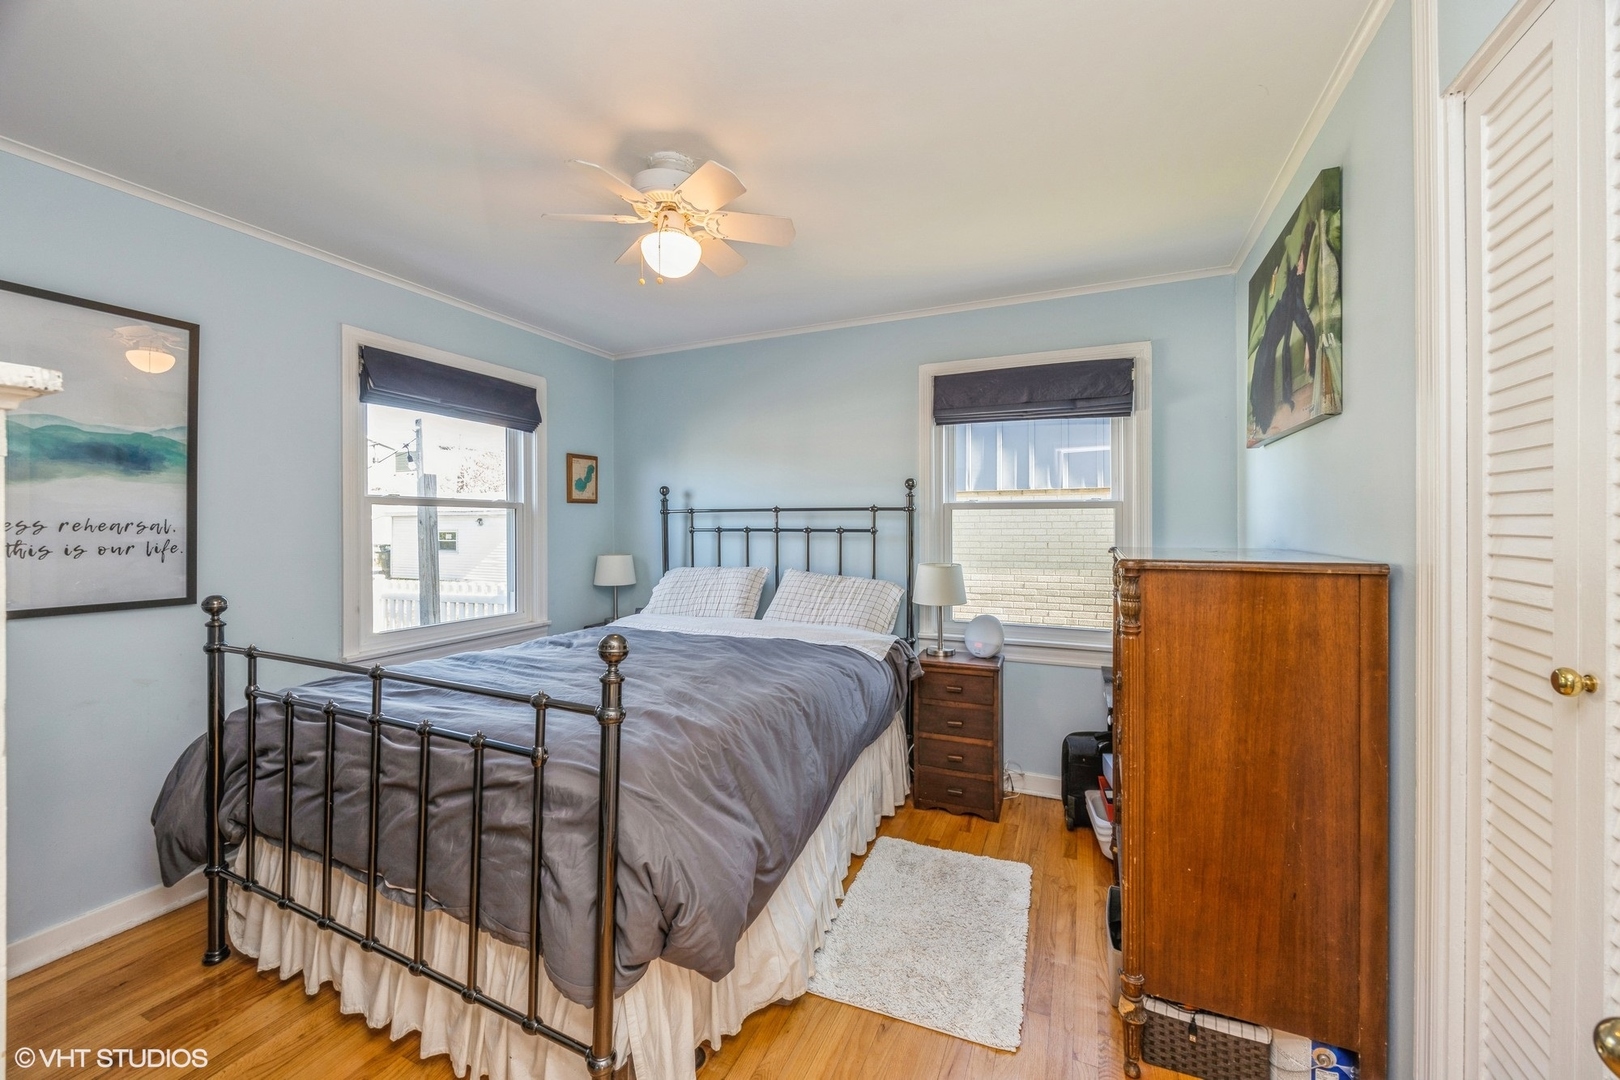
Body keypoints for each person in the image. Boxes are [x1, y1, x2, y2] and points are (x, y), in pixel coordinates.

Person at [1249, 220, 1319, 436]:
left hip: (1279, 321)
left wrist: (1309, 344)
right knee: (1264, 353)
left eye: (1302, 259)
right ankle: (1260, 412)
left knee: (1266, 354)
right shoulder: (1292, 275)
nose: (1299, 263)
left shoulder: (1298, 283)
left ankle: (1261, 414)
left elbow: (1302, 318)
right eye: (1299, 258)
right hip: (1275, 320)